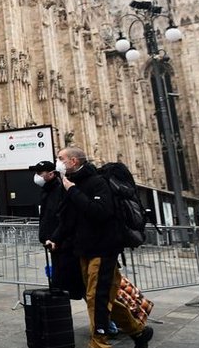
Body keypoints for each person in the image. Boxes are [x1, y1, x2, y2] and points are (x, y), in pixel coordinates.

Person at [49, 146, 153, 348]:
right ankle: (138, 332)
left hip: (103, 249)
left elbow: (100, 212)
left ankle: (99, 343)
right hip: (85, 249)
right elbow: (68, 219)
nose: (57, 161)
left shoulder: (97, 182)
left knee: (96, 297)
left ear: (73, 161)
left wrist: (72, 191)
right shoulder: (70, 183)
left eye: (60, 158)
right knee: (104, 296)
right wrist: (56, 238)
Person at [32, 160, 85, 302]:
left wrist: (57, 239)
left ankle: (107, 321)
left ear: (51, 174)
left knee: (79, 284)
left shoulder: (60, 189)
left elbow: (64, 218)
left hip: (64, 245)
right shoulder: (47, 190)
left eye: (39, 173)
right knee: (62, 285)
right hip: (54, 244)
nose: (36, 176)